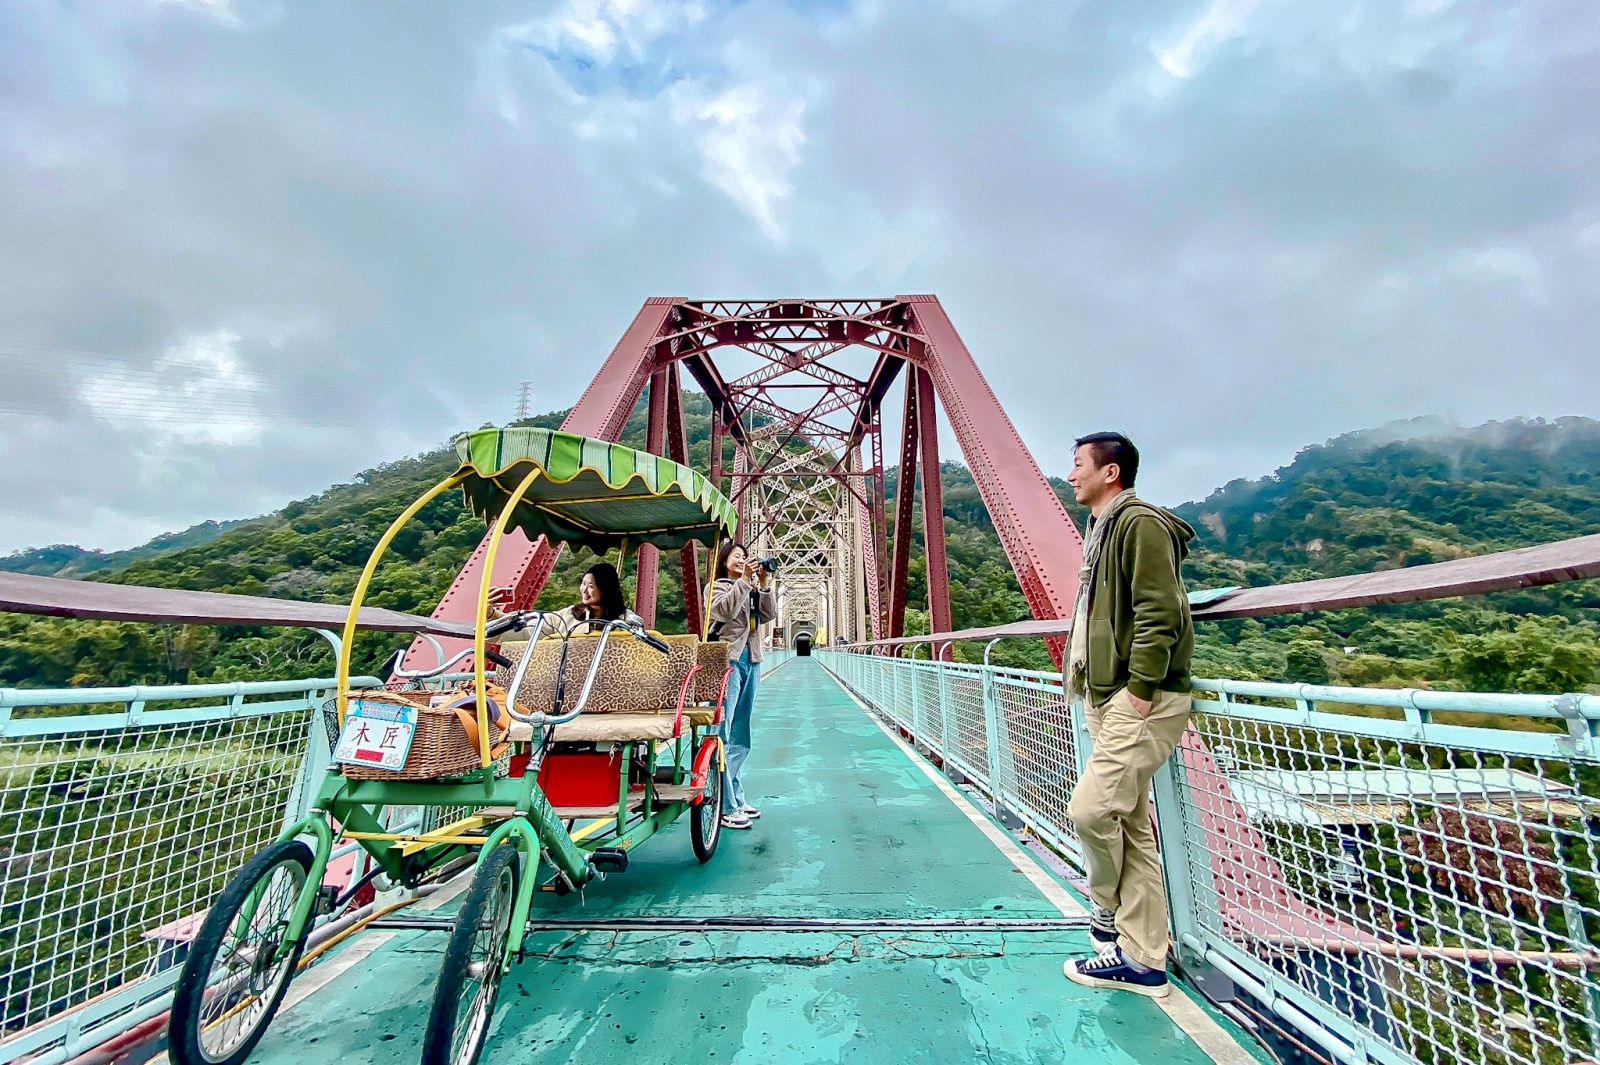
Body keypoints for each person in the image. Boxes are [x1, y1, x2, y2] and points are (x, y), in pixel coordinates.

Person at [1060, 431, 1196, 1000]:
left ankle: (1106, 909)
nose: (1070, 475)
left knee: (1090, 811)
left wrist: (1140, 690)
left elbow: (1158, 610)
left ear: (1109, 474)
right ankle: (1143, 960)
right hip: (1105, 693)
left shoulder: (1138, 523)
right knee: (1130, 824)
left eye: (1078, 466)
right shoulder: (1103, 527)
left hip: (1136, 698)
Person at [708, 541, 775, 831]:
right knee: (722, 729)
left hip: (752, 660)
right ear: (724, 561)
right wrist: (745, 581)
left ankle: (733, 795)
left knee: (740, 732)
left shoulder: (751, 586)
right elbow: (722, 612)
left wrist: (763, 584)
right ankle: (724, 804)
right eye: (737, 557)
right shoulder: (717, 586)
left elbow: (769, 615)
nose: (743, 560)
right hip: (728, 660)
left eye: (746, 558)